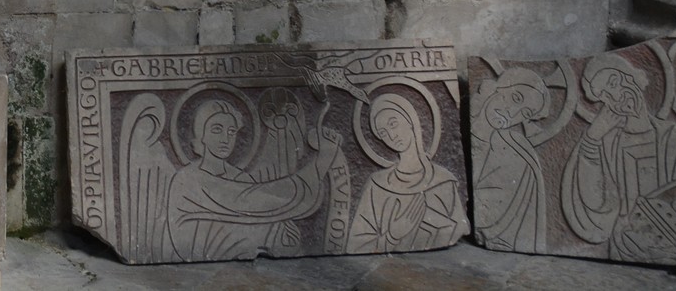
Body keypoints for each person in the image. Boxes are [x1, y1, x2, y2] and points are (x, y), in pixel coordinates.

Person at [164, 98, 344, 261]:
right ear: (201, 135)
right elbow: (250, 200)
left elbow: (273, 221)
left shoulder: (239, 177)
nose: (226, 138)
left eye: (232, 131)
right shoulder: (188, 179)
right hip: (198, 251)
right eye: (217, 130)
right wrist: (320, 164)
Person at [563, 53, 676, 249]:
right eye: (603, 95)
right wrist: (592, 139)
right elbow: (593, 201)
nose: (614, 97)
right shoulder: (606, 143)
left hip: (674, 240)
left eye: (613, 83)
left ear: (632, 77)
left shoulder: (675, 136)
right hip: (625, 243)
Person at [345, 96, 467, 253]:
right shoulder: (377, 185)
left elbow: (460, 227)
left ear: (410, 120)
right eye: (383, 133)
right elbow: (355, 245)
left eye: (393, 124)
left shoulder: (443, 181)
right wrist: (392, 237)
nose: (391, 136)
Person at [471, 68, 552, 252]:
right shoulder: (458, 133)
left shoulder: (518, 156)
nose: (512, 113)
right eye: (516, 98)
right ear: (499, 88)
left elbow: (491, 213)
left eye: (525, 113)